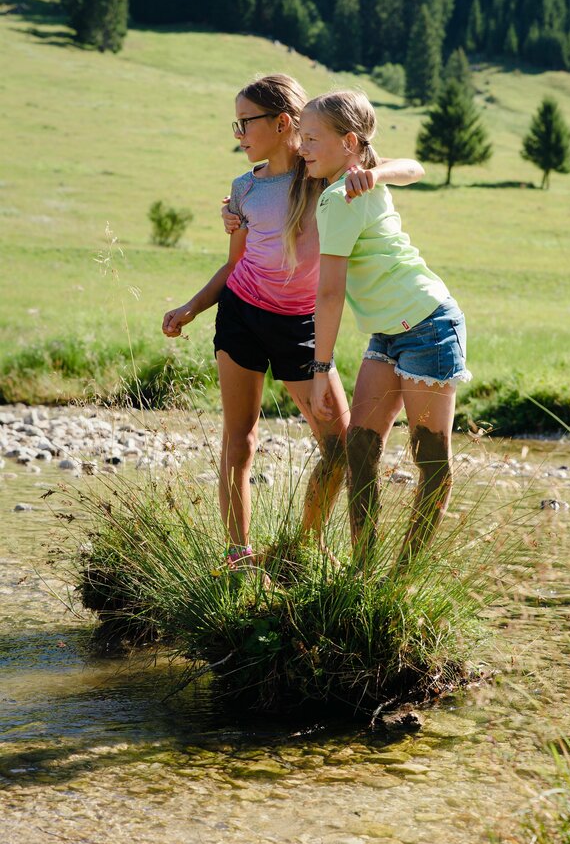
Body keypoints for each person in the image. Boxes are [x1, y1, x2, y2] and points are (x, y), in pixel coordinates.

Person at [162, 75, 424, 572]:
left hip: (300, 326)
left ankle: (303, 548)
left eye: (245, 123)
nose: (237, 133)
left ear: (282, 123)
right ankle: (238, 556)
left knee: (341, 447)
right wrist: (192, 308)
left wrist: (376, 175)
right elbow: (235, 264)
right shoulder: (243, 189)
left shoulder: (321, 175)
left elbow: (411, 167)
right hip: (241, 316)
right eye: (235, 124)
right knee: (240, 438)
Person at [300, 90, 472, 566]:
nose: (302, 147)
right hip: (388, 333)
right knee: (360, 450)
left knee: (432, 462)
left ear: (350, 141)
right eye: (300, 137)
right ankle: (363, 574)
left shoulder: (344, 193)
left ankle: (401, 582)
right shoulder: (344, 184)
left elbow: (330, 294)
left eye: (312, 138)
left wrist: (321, 369)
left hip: (429, 325)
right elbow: (410, 167)